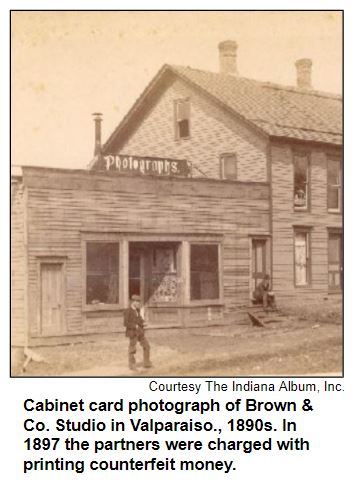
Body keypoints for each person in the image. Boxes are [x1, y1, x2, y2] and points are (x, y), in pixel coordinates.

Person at [124, 295, 152, 370]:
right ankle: (132, 365)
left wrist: (143, 322)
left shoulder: (137, 310)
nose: (138, 304)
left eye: (139, 302)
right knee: (132, 349)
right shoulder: (127, 311)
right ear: (133, 302)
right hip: (132, 332)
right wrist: (134, 326)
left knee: (147, 346)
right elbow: (125, 323)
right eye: (137, 302)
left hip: (140, 332)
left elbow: (139, 319)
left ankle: (146, 363)